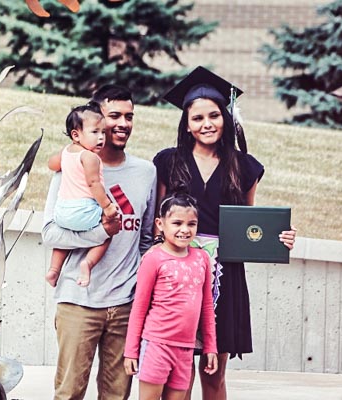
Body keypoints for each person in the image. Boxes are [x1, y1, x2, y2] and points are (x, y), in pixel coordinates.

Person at [153, 66, 297, 400]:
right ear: (186, 124)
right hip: (177, 274)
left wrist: (280, 237)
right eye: (197, 118)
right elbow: (157, 222)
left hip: (225, 275)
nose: (207, 124)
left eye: (214, 115)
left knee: (213, 373)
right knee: (178, 373)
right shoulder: (168, 161)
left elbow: (248, 225)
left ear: (225, 118)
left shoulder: (244, 166)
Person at [42, 84, 157, 400]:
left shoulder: (146, 172)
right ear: (95, 121)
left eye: (129, 116)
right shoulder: (71, 169)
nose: (122, 123)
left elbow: (145, 240)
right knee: (69, 393)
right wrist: (103, 232)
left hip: (125, 305)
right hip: (78, 301)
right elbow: (50, 232)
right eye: (114, 116)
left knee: (117, 395)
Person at [124, 193, 218, 400]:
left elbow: (206, 308)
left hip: (185, 349)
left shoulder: (202, 258)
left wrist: (210, 347)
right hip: (157, 346)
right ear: (160, 223)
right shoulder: (153, 258)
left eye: (191, 224)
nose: (185, 230)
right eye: (177, 223)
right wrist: (131, 351)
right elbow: (139, 307)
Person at [45, 103, 119, 288]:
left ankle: (54, 270)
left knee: (66, 236)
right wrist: (108, 207)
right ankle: (88, 264)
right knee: (107, 234)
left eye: (103, 132)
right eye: (95, 132)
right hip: (83, 210)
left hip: (62, 212)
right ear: (76, 135)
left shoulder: (66, 152)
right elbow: (94, 184)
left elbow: (52, 165)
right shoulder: (90, 157)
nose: (101, 138)